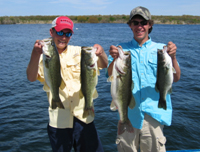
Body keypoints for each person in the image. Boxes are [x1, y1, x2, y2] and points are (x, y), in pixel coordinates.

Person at [26, 16, 108, 152]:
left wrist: (102, 52)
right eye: (60, 32)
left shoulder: (80, 52)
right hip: (59, 122)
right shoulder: (42, 56)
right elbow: (31, 77)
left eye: (68, 34)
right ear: (51, 32)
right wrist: (35, 54)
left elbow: (103, 65)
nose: (64, 37)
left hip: (84, 118)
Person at [107, 6, 181, 152]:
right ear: (130, 25)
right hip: (129, 113)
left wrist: (173, 57)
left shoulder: (162, 49)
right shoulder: (121, 49)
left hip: (154, 115)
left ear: (150, 25)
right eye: (135, 22)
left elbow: (176, 77)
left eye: (143, 22)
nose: (139, 26)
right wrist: (114, 59)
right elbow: (110, 74)